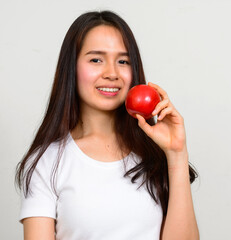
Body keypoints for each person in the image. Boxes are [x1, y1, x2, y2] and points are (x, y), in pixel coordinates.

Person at [15, 10, 199, 240]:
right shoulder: (47, 163)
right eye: (96, 59)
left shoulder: (155, 155)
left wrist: (176, 154)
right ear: (71, 68)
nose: (112, 73)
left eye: (123, 61)